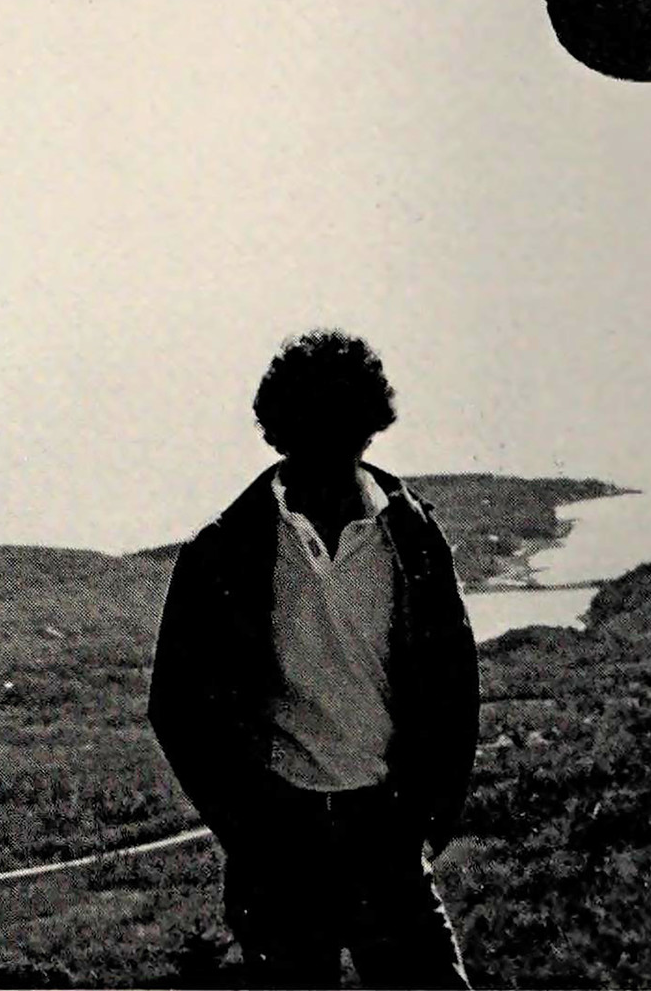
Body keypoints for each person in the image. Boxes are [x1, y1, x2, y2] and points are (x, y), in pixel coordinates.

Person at [148, 329, 480, 989]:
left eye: (344, 428)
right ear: (281, 433)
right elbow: (177, 706)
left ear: (369, 428)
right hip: (282, 841)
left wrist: (425, 819)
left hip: (386, 828)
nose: (329, 449)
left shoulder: (411, 536)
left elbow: (454, 686)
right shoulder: (225, 550)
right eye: (311, 430)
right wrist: (249, 830)